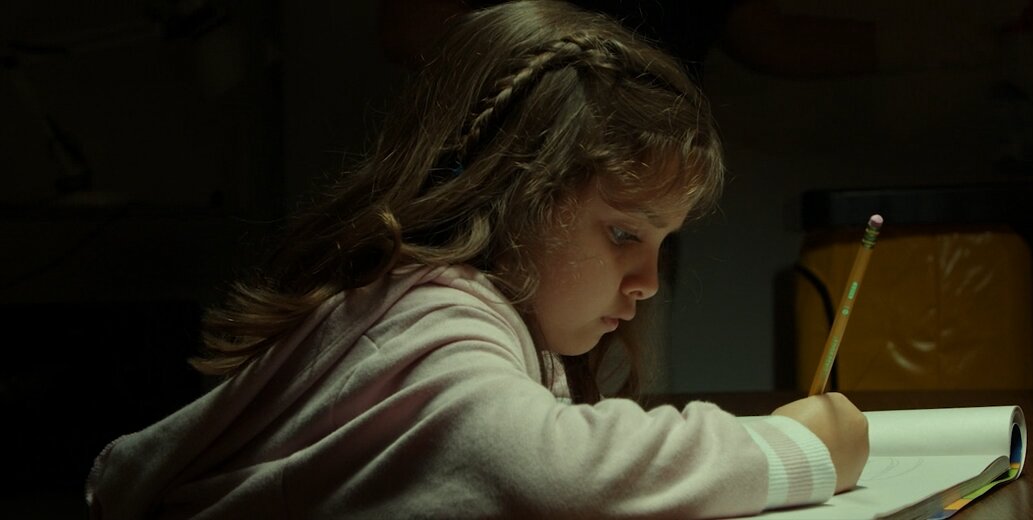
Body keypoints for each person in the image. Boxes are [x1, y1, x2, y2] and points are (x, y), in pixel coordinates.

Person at [85, 1, 868, 517]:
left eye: (665, 244)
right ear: (512, 196)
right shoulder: (432, 308)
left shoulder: (466, 310)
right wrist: (795, 451)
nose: (648, 283)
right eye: (624, 234)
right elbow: (543, 473)